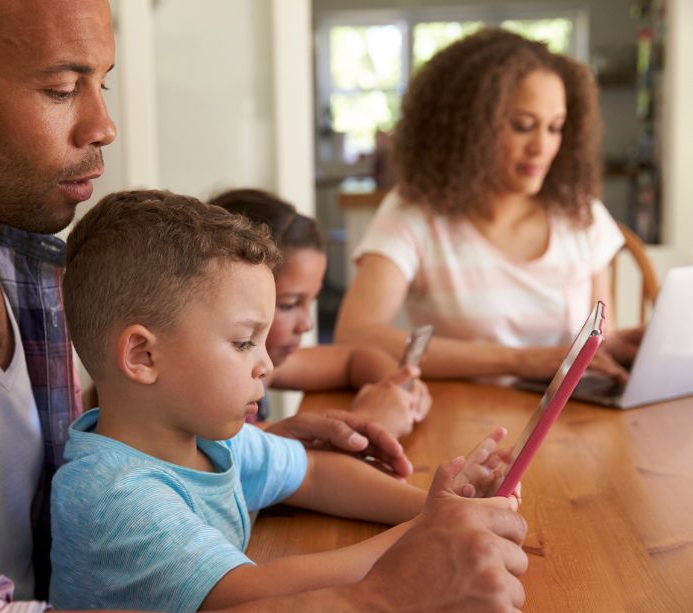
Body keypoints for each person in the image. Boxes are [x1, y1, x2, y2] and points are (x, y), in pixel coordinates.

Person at [0, 1, 528, 610]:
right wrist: (381, 593)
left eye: (103, 82)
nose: (104, 125)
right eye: (63, 88)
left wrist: (252, 439)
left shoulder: (27, 255)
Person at [50, 189, 519, 612]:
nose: (267, 366)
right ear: (143, 355)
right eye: (242, 343)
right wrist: (431, 532)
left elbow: (314, 473)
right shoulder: (115, 497)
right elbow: (255, 593)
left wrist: (433, 506)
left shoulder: (205, 440)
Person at [334, 28, 643, 383]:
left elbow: (599, 340)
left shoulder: (580, 213)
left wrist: (622, 347)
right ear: (468, 128)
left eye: (555, 128)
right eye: (523, 126)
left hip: (573, 423)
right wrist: (517, 360)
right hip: (464, 423)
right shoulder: (415, 213)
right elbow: (355, 334)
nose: (542, 147)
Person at [213, 188, 430, 438]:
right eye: (289, 304)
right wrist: (365, 422)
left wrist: (397, 385)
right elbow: (267, 452)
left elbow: (353, 361)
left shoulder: (266, 366)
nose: (307, 325)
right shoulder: (219, 396)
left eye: (311, 301)